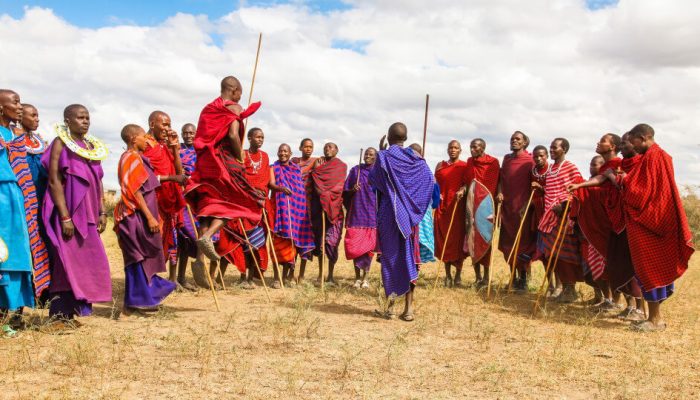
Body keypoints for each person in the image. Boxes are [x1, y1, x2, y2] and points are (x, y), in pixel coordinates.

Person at [184, 76, 264, 278]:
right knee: (236, 201)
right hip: (222, 162)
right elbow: (232, 135)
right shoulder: (233, 108)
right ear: (235, 90)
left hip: (204, 164)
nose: (240, 98)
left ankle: (199, 259)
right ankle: (209, 236)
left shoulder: (207, 109)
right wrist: (239, 158)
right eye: (240, 94)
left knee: (207, 207)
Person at [42, 104, 111, 325]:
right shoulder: (60, 144)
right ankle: (58, 316)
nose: (85, 121)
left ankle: (72, 312)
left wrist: (101, 211)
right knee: (65, 263)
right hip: (69, 213)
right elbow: (54, 181)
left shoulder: (91, 147)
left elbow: (98, 181)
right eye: (80, 117)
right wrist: (65, 217)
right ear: (67, 121)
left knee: (87, 262)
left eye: (87, 117)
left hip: (90, 213)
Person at [622, 123, 694, 331]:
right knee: (649, 269)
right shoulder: (655, 157)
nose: (633, 146)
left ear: (644, 137)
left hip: (651, 222)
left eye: (634, 140)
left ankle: (655, 320)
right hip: (656, 220)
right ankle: (653, 317)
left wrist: (625, 180)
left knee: (650, 269)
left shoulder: (655, 157)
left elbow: (641, 193)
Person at [369, 122, 433, 321]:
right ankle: (409, 309)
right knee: (409, 258)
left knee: (390, 259)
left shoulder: (384, 157)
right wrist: (414, 208)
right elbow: (430, 183)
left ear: (388, 138)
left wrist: (381, 153)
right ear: (405, 139)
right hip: (410, 219)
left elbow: (375, 181)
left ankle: (389, 308)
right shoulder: (418, 160)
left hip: (389, 214)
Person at [114, 124, 176, 315]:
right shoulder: (130, 158)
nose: (147, 140)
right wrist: (150, 217)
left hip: (140, 215)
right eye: (143, 137)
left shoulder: (140, 158)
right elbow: (134, 191)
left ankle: (139, 301)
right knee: (136, 258)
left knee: (142, 256)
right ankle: (136, 303)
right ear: (133, 139)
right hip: (132, 216)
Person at [568, 134, 623, 309]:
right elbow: (599, 179)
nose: (598, 143)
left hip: (613, 220)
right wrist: (578, 186)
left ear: (613, 146)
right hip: (599, 222)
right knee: (597, 266)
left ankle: (622, 303)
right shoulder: (607, 167)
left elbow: (619, 185)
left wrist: (611, 177)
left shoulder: (619, 164)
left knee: (615, 264)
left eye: (603, 141)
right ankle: (607, 299)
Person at [5, 102, 51, 302]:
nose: (37, 119)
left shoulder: (40, 141)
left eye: (38, 115)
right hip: (19, 199)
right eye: (33, 115)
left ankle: (42, 291)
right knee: (23, 245)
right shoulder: (12, 139)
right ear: (21, 116)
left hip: (40, 199)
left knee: (40, 243)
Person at [0, 89, 35, 334]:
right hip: (1, 196)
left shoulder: (15, 135)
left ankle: (14, 315)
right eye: (15, 102)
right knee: (2, 255)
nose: (20, 107)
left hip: (16, 197)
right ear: (1, 108)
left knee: (18, 256)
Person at [143, 111, 188, 285]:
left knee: (163, 242)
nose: (168, 128)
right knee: (151, 242)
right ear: (152, 123)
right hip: (152, 200)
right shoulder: (144, 144)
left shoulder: (165, 146)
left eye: (169, 124)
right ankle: (146, 283)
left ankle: (153, 281)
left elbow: (178, 172)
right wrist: (170, 178)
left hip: (169, 201)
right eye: (164, 124)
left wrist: (175, 148)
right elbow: (144, 175)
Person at [537, 138, 584, 303]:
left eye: (555, 147)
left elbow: (578, 187)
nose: (551, 150)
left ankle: (570, 290)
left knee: (565, 255)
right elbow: (551, 192)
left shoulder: (570, 167)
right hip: (550, 217)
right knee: (552, 254)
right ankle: (564, 288)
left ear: (564, 149)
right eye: (550, 147)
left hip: (565, 218)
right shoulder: (550, 170)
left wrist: (565, 205)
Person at [269, 143, 315, 287]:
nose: (282, 153)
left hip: (296, 210)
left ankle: (286, 277)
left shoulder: (295, 169)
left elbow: (299, 189)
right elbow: (271, 184)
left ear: (290, 154)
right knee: (278, 244)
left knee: (292, 244)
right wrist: (281, 188)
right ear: (277, 152)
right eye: (280, 151)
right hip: (279, 209)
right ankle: (276, 278)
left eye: (285, 151)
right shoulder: (273, 167)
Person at [231, 127, 271, 289]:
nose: (260, 140)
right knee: (243, 241)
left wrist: (260, 194)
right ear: (249, 138)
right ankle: (242, 276)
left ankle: (251, 277)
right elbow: (238, 177)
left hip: (260, 204)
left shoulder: (265, 156)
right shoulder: (242, 154)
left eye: (262, 137)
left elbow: (267, 180)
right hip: (245, 203)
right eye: (257, 137)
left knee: (257, 242)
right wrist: (250, 191)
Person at [496, 131, 535, 291]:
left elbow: (535, 184)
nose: (514, 141)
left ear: (525, 142)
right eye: (512, 139)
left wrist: (528, 204)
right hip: (507, 209)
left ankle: (523, 278)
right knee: (507, 244)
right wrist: (499, 191)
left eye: (518, 139)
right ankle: (513, 276)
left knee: (523, 244)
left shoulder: (530, 160)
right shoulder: (506, 159)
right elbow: (501, 179)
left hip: (522, 210)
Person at [310, 142, 347, 286]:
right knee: (320, 244)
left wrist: (327, 196)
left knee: (331, 243)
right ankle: (321, 275)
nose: (327, 149)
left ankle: (330, 276)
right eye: (325, 147)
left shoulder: (341, 166)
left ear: (337, 150)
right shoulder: (318, 165)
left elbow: (339, 187)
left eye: (331, 147)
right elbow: (315, 181)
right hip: (320, 209)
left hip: (335, 210)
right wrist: (316, 170)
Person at [464, 138, 500, 287]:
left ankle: (486, 277)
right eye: (471, 146)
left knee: (486, 239)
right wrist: (462, 190)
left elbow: (497, 182)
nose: (472, 149)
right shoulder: (469, 162)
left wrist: (500, 194)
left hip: (486, 208)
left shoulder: (493, 162)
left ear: (483, 148)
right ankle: (477, 277)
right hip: (471, 206)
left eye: (475, 147)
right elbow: (468, 183)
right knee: (472, 241)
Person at [434, 140, 469, 287]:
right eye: (451, 147)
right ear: (447, 150)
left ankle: (458, 275)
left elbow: (468, 184)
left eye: (456, 148)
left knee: (457, 241)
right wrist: (437, 194)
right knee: (444, 241)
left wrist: (463, 190)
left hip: (457, 207)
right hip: (442, 208)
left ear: (460, 150)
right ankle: (447, 275)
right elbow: (434, 183)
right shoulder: (440, 165)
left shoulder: (464, 166)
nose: (453, 150)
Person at [343, 147, 378, 289]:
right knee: (355, 247)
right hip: (356, 214)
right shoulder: (355, 171)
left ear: (376, 157)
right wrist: (353, 189)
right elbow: (345, 193)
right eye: (366, 154)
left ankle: (366, 278)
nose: (368, 156)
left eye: (371, 155)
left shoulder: (378, 173)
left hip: (372, 215)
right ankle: (357, 278)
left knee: (368, 249)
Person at [173, 123, 200, 291]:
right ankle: (173, 278)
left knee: (191, 240)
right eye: (185, 133)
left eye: (191, 132)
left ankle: (182, 277)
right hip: (179, 197)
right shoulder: (177, 150)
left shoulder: (200, 151)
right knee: (178, 239)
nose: (188, 135)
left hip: (195, 198)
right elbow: (173, 168)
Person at [291, 138, 317, 282]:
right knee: (294, 240)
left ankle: (301, 275)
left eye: (310, 147)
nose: (308, 149)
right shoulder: (294, 162)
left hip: (309, 207)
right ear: (300, 147)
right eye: (306, 146)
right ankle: (291, 273)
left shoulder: (316, 162)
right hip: (295, 206)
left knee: (305, 240)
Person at [409, 143, 440, 266]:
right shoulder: (427, 172)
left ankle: (413, 271)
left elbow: (435, 199)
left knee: (415, 243)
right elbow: (436, 200)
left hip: (418, 215)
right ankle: (413, 270)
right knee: (413, 243)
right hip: (417, 214)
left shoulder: (426, 172)